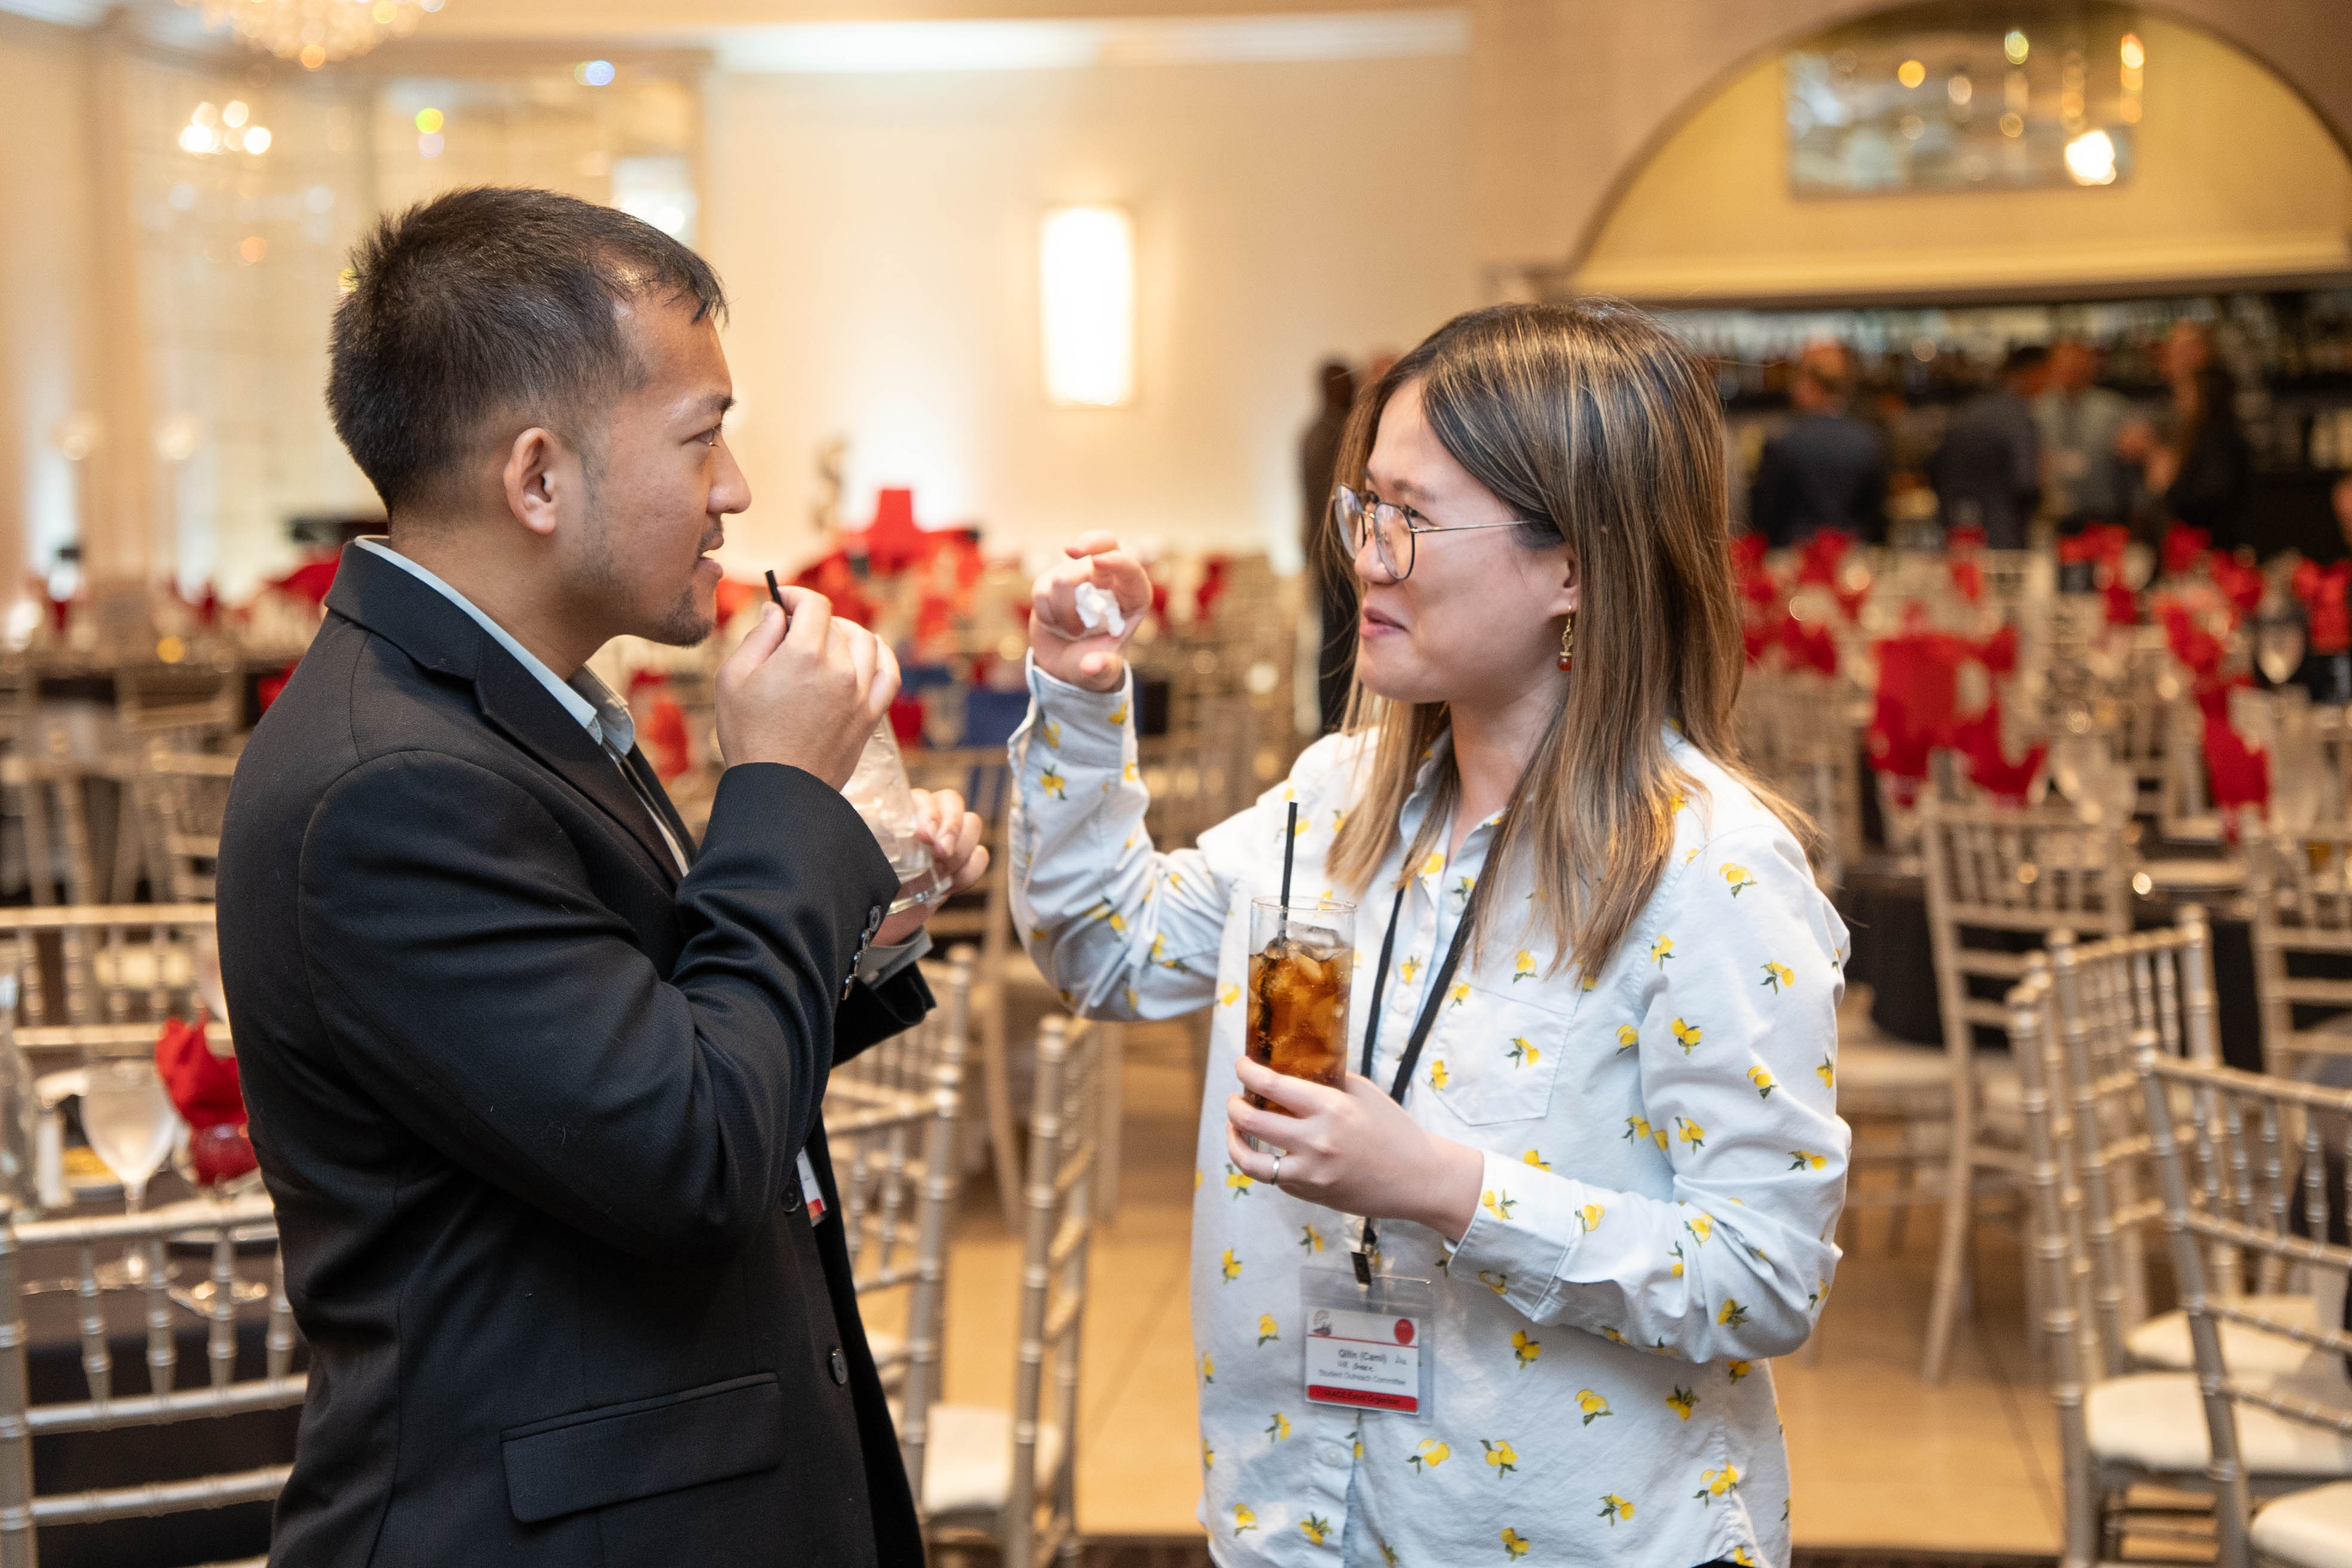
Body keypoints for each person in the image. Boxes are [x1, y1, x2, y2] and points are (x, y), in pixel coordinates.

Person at [216, 188, 987, 1567]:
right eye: (702, 435)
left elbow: (651, 1044)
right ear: (537, 478)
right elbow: (691, 1149)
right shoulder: (388, 782)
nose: (734, 488)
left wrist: (858, 907)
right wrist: (782, 795)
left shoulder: (515, 706)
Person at [1009, 302, 1848, 1568]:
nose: (1369, 557)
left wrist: (1441, 1188)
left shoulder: (1706, 868)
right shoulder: (1334, 805)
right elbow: (1105, 947)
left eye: (1412, 517)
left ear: (1574, 567)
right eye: (1365, 509)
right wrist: (1080, 700)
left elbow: (1763, 1272)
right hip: (1300, 1523)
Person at [1747, 341, 1888, 546]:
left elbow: (1764, 519)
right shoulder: (1870, 441)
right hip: (1855, 556)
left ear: (1809, 386)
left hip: (1795, 557)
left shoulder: (1783, 444)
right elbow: (1877, 519)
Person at [1930, 344, 2049, 547]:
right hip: (2001, 533)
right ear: (2034, 374)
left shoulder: (1968, 410)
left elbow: (1934, 465)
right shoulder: (2016, 417)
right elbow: (2026, 484)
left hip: (1953, 527)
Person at [1303, 358, 1361, 733]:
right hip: (1341, 559)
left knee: (1333, 646)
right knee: (1340, 650)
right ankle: (1338, 728)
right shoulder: (1337, 434)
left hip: (1325, 557)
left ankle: (1333, 727)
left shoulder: (1311, 432)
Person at [2034, 338, 2133, 531]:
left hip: (2103, 515)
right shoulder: (2036, 411)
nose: (2072, 369)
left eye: (2078, 362)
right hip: (2050, 515)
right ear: (2052, 366)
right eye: (2065, 363)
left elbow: (2130, 466)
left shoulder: (2113, 409)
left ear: (2091, 366)